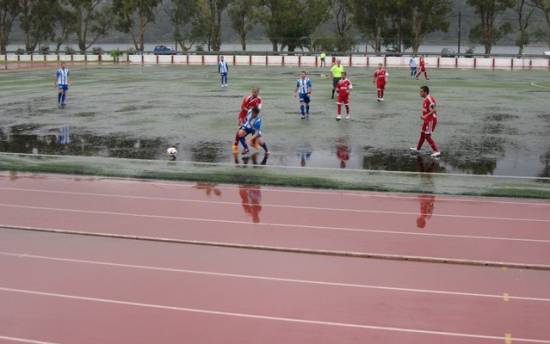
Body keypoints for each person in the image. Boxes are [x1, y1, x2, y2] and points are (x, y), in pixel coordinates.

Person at [410, 86, 441, 157]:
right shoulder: (426, 99)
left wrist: (425, 116)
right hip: (427, 120)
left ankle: (437, 151)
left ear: (425, 92)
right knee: (422, 134)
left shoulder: (430, 99)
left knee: (427, 136)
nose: (420, 93)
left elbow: (434, 110)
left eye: (421, 91)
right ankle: (418, 148)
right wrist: (424, 116)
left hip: (431, 120)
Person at [232, 87, 262, 152]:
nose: (254, 93)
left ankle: (253, 143)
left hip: (252, 118)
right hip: (243, 116)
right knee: (240, 132)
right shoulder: (247, 98)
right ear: (251, 92)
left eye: (256, 92)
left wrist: (254, 112)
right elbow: (242, 107)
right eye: (253, 92)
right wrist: (249, 110)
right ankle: (236, 145)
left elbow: (258, 109)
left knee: (253, 131)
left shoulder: (259, 99)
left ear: (258, 93)